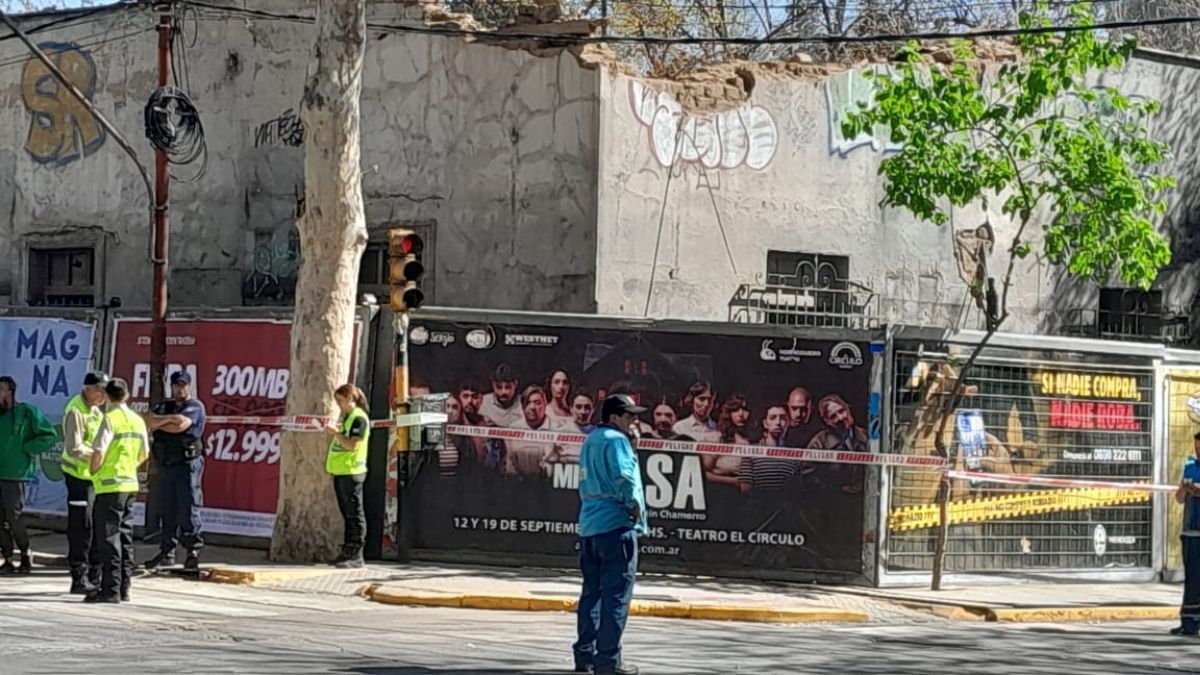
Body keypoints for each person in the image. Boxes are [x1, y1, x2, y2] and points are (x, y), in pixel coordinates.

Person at [573, 393, 646, 675]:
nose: (634, 421)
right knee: (616, 597)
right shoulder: (617, 441)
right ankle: (608, 661)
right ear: (614, 417)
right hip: (616, 526)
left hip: (590, 527)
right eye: (629, 416)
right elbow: (624, 479)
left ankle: (585, 656)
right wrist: (634, 507)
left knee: (592, 594)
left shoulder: (592, 439)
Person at [86, 378, 149, 603]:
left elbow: (98, 452)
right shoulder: (137, 420)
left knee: (108, 538)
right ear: (127, 396)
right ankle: (124, 587)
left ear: (107, 396)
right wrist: (130, 466)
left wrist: (94, 471)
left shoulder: (109, 419)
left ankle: (110, 589)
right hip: (130, 484)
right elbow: (144, 453)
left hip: (109, 486)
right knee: (125, 536)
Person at [144, 371, 206, 571]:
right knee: (167, 508)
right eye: (176, 385)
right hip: (166, 464)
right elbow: (148, 421)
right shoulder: (165, 406)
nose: (180, 389)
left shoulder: (195, 407)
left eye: (183, 385)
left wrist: (162, 423)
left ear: (189, 386)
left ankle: (192, 552)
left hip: (187, 464)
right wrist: (167, 420)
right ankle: (167, 551)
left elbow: (181, 425)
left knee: (189, 507)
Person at [0, 375, 58, 574]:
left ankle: (25, 553)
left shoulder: (26, 412)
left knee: (14, 515)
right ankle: (7, 558)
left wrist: (28, 448)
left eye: (1, 389)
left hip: (16, 473)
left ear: (10, 392)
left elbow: (49, 435)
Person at [61, 371, 110, 592]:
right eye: (100, 391)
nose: (102, 396)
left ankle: (94, 574)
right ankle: (78, 577)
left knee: (97, 525)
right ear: (88, 388)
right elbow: (74, 447)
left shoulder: (95, 411)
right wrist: (98, 455)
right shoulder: (76, 410)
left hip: (94, 478)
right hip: (78, 478)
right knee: (81, 527)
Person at [323, 383, 371, 569]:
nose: (339, 405)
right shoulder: (348, 417)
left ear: (350, 399)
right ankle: (347, 552)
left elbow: (353, 445)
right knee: (348, 515)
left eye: (341, 401)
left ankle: (357, 554)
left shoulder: (359, 419)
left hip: (352, 471)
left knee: (355, 514)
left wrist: (335, 433)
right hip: (341, 471)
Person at [1172, 431, 1200, 637]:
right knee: (1191, 579)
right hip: (1190, 532)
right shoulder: (1190, 466)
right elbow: (1179, 499)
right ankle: (1188, 622)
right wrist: (1185, 489)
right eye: (1197, 446)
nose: (1198, 450)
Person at [737, 404, 799, 494]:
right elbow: (745, 489)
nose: (778, 422)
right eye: (773, 418)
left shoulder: (795, 455)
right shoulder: (751, 452)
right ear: (765, 423)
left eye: (783, 418)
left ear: (788, 423)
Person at [479, 364, 522, 428]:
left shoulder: (524, 403)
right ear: (493, 385)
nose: (503, 392)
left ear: (515, 384)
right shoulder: (482, 403)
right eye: (499, 387)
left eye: (508, 387)